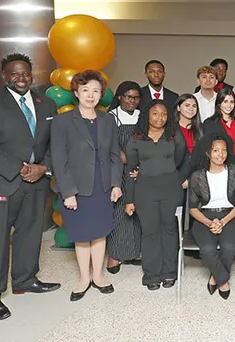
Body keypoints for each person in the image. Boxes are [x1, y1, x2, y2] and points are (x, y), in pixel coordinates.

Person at [0, 53, 60, 320]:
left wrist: (43, 168)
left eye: (25, 73)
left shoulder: (47, 104)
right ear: (4, 76)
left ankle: (26, 279)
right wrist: (20, 168)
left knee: (30, 232)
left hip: (36, 179)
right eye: (14, 74)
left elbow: (55, 142)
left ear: (32, 75)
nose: (21, 78)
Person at [51, 70, 122, 301]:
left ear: (101, 94)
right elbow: (58, 159)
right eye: (85, 90)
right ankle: (84, 278)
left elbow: (114, 155)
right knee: (82, 235)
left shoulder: (107, 119)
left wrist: (115, 184)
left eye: (95, 91)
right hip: (77, 189)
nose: (90, 95)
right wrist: (68, 192)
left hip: (102, 186)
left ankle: (99, 276)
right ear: (76, 92)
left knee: (100, 234)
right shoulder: (63, 121)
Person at [124, 100, 187, 290]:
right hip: (145, 190)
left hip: (170, 188)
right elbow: (131, 168)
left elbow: (181, 159)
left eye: (164, 114)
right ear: (147, 115)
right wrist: (129, 200)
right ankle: (151, 274)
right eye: (155, 113)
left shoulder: (174, 134)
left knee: (169, 229)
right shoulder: (136, 137)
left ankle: (169, 272)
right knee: (150, 231)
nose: (160, 118)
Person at [188, 134, 235, 299]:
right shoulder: (197, 176)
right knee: (207, 249)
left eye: (224, 150)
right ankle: (223, 280)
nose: (220, 154)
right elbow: (192, 209)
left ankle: (215, 277)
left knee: (228, 247)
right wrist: (208, 222)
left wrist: (222, 221)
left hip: (229, 216)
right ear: (208, 153)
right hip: (203, 217)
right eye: (215, 151)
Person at [105, 81, 144, 273]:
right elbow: (106, 145)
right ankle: (115, 255)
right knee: (119, 213)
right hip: (118, 171)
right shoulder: (110, 117)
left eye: (136, 97)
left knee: (137, 212)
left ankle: (136, 251)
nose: (132, 101)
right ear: (120, 96)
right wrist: (124, 157)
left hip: (140, 169)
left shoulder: (143, 117)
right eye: (129, 97)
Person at [202, 89, 235, 167]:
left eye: (232, 102)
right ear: (219, 104)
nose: (229, 105)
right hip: (221, 163)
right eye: (225, 101)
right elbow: (208, 148)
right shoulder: (210, 123)